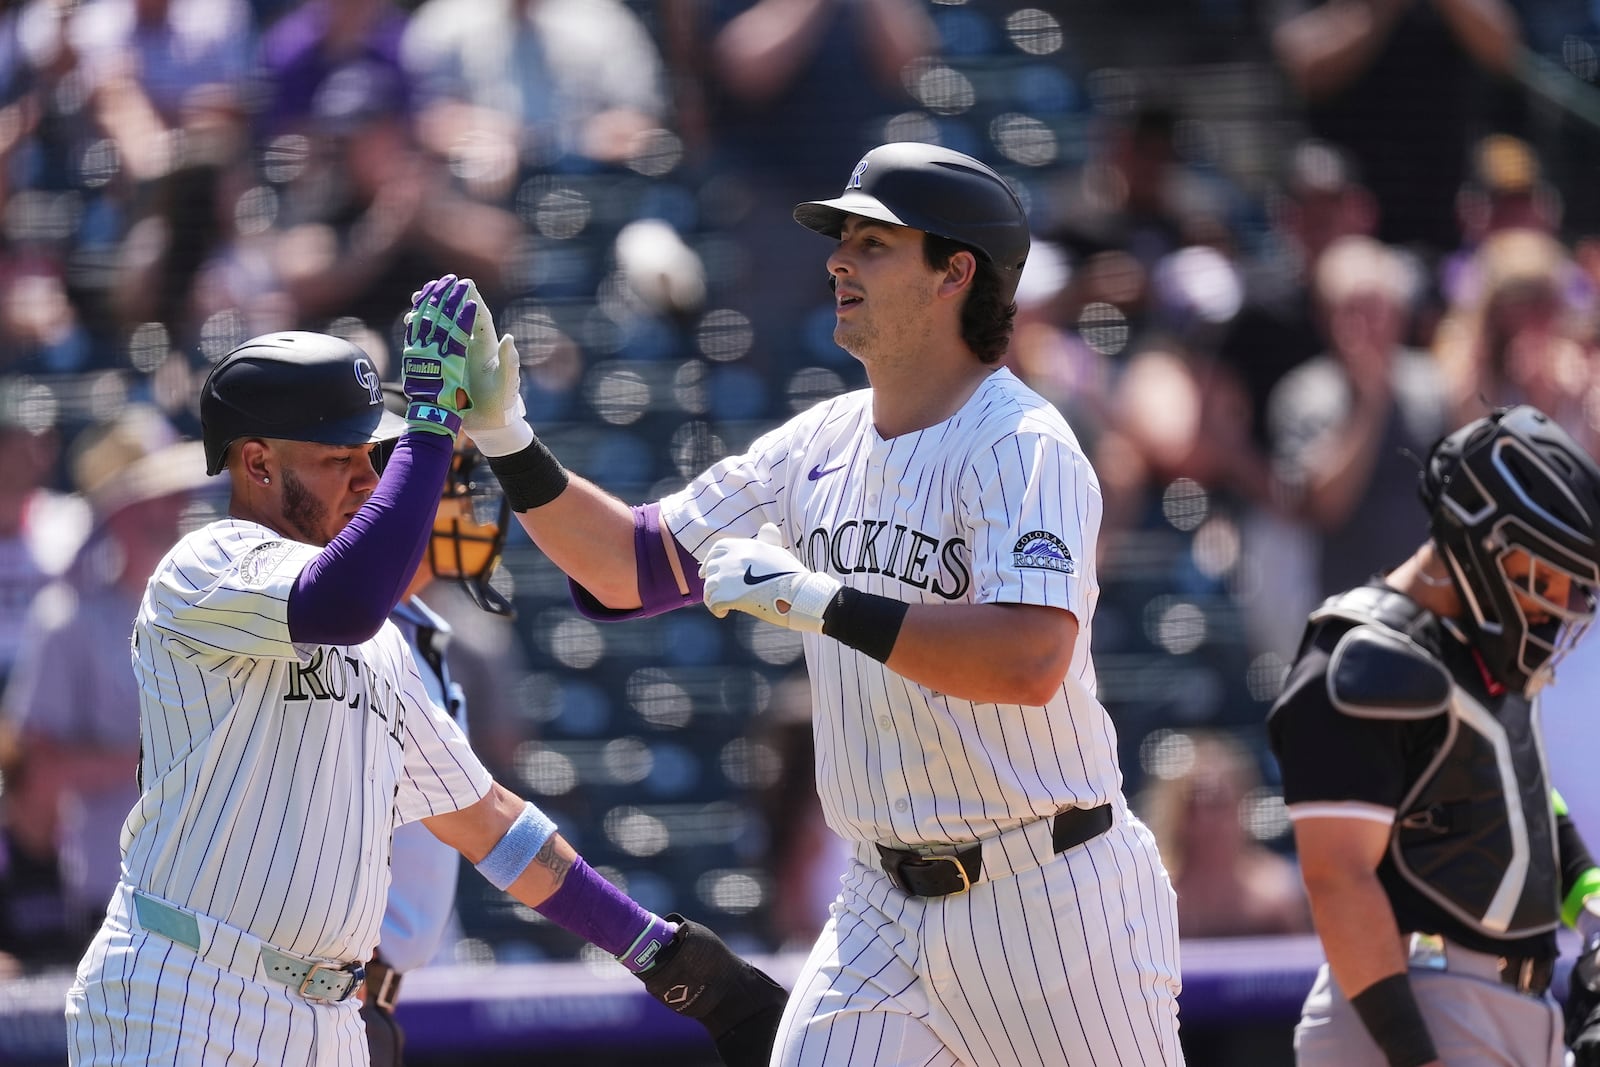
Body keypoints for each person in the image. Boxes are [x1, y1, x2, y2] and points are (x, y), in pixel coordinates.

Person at [464, 142, 1184, 1066]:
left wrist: (823, 602)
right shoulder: (820, 440)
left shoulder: (1023, 444)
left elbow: (1028, 661)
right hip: (878, 906)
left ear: (955, 271)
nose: (840, 259)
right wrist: (509, 440)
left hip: (1048, 894)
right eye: (841, 239)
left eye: (874, 242)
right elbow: (630, 567)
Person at [62, 277, 786, 1067]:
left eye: (372, 455)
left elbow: (492, 824)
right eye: (341, 458)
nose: (368, 480)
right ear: (259, 463)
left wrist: (667, 957)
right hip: (184, 993)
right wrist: (434, 421)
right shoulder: (205, 567)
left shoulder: (384, 647)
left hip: (325, 1016)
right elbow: (341, 600)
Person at [1266, 404, 1600, 1066]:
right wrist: (1416, 1057)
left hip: (1513, 1011)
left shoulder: (1476, 649)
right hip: (1417, 1008)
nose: (1558, 603)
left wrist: (1593, 909)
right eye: (1543, 575)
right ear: (1483, 542)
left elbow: (1524, 798)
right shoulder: (1363, 656)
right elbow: (1338, 878)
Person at [357, 381, 519, 1065]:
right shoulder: (339, 639)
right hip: (309, 996)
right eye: (444, 479)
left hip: (375, 1001)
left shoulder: (417, 627)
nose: (464, 502)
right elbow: (490, 820)